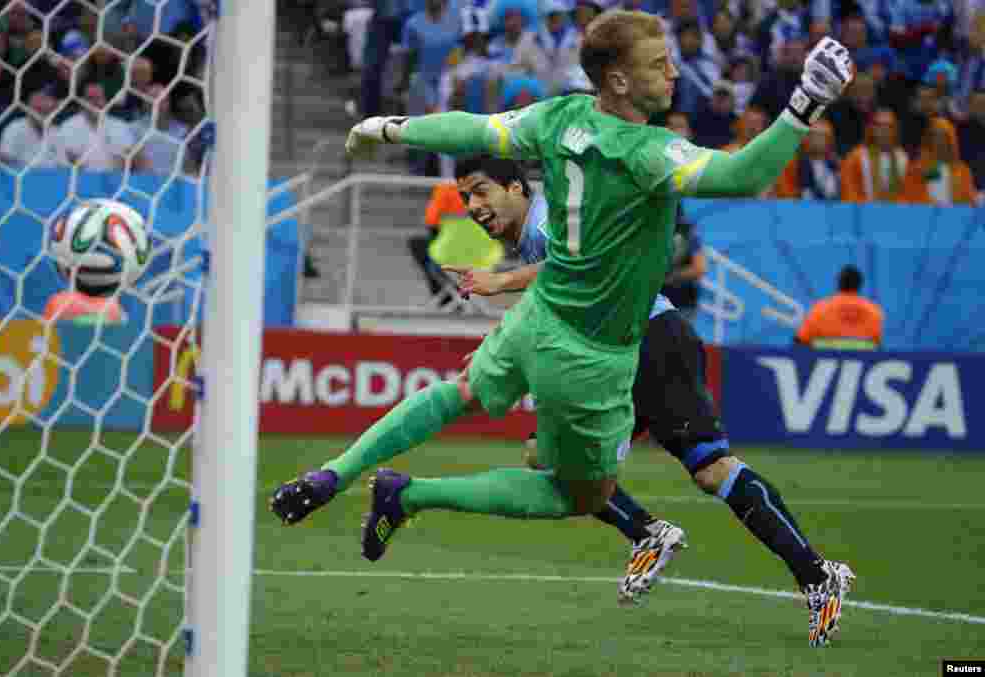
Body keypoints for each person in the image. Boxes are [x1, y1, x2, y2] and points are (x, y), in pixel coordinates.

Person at [273, 11, 855, 647]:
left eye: (479, 194)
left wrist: (389, 127)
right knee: (595, 483)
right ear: (620, 83)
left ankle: (345, 472)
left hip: (567, 324)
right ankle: (795, 568)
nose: (673, 70)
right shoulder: (648, 151)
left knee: (480, 406)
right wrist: (804, 105)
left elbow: (474, 128)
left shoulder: (560, 119)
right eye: (657, 63)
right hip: (598, 350)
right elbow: (740, 175)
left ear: (513, 185)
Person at [445, 154, 689, 605]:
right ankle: (648, 532)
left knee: (705, 464)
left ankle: (651, 532)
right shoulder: (532, 232)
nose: (472, 205)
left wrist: (498, 284)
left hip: (641, 338)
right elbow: (552, 300)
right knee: (550, 458)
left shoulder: (541, 227)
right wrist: (495, 347)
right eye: (464, 198)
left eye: (480, 192)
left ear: (516, 188)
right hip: (629, 341)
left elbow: (574, 266)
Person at [795, 265, 883, 350]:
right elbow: (876, 345)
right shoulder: (874, 312)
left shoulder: (821, 308)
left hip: (825, 362)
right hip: (863, 362)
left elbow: (800, 341)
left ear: (838, 282)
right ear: (860, 284)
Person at [839, 107, 907, 203]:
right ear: (871, 128)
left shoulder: (903, 158)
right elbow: (849, 192)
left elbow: (908, 194)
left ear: (895, 130)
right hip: (863, 213)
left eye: (889, 126)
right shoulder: (856, 157)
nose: (884, 130)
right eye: (879, 125)